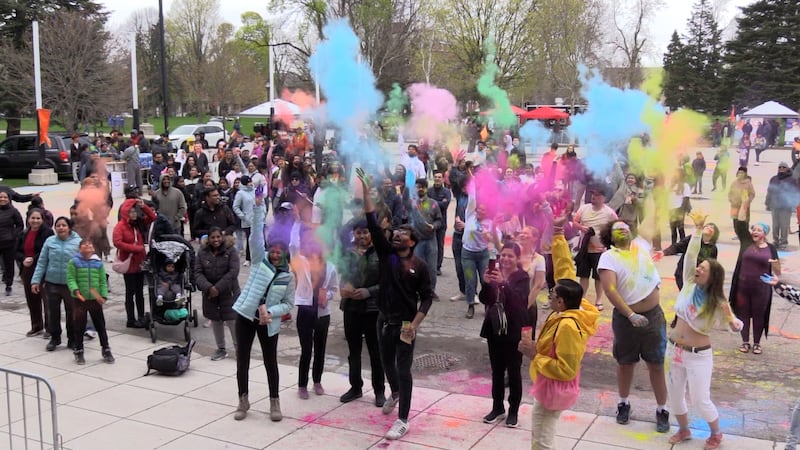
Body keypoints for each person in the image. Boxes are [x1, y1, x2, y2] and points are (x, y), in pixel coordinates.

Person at [356, 167, 434, 440]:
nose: (397, 235)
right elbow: (373, 222)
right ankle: (396, 391)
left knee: (403, 369)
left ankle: (403, 419)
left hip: (404, 324)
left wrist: (413, 325)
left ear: (412, 241)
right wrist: (366, 192)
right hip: (383, 320)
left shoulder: (420, 266)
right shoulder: (388, 255)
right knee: (386, 363)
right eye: (396, 232)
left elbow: (426, 297)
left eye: (403, 234)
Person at [518, 214, 599, 450]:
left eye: (552, 295)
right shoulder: (576, 307)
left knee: (543, 437)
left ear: (562, 302)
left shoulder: (567, 326)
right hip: (549, 383)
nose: (549, 296)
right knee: (541, 432)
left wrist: (535, 354)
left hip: (555, 388)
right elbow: (565, 270)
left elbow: (566, 369)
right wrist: (557, 233)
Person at [665, 212, 743, 450]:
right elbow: (689, 254)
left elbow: (734, 323)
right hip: (673, 350)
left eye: (703, 268)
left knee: (701, 400)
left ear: (713, 277)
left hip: (698, 355)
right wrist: (697, 231)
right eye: (698, 266)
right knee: (675, 397)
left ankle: (716, 434)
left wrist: (734, 323)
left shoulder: (717, 301)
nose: (698, 269)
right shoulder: (688, 283)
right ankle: (684, 430)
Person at [598, 220, 670, 433]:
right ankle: (623, 403)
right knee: (626, 363)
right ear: (610, 236)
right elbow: (610, 290)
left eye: (625, 228)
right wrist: (630, 314)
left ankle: (662, 409)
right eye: (617, 229)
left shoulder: (641, 246)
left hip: (654, 316)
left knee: (656, 364)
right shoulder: (608, 257)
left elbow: (651, 210)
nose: (622, 231)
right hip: (626, 319)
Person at [231, 195, 295, 422]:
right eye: (273, 250)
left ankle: (274, 402)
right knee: (243, 360)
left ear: (286, 254)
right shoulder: (259, 259)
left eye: (280, 252)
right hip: (245, 315)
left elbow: (289, 304)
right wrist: (259, 207)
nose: (276, 254)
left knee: (271, 362)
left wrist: (271, 312)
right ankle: (243, 400)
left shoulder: (288, 276)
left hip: (268, 322)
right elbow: (256, 234)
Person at [478, 242, 531, 428]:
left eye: (510, 256)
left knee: (514, 372)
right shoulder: (494, 274)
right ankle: (497, 407)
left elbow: (519, 302)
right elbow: (485, 299)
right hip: (495, 329)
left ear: (517, 259)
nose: (506, 259)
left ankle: (513, 410)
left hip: (514, 331)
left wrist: (503, 284)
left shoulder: (522, 277)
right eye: (503, 255)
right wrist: (486, 284)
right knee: (497, 371)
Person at [338, 218, 386, 406]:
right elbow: (343, 275)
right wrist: (344, 286)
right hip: (351, 308)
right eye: (358, 232)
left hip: (373, 310)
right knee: (353, 351)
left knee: (376, 352)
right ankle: (355, 387)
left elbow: (387, 282)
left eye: (366, 232)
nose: (362, 236)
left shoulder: (381, 252)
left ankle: (379, 391)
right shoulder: (348, 253)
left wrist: (368, 292)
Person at [290, 227, 339, 399]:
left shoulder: (331, 266)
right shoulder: (301, 261)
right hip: (305, 310)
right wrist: (297, 222)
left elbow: (334, 288)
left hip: (322, 313)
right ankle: (302, 385)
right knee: (306, 350)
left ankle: (317, 381)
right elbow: (293, 245)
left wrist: (328, 295)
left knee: (320, 349)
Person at [31, 217, 82, 351]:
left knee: (72, 313)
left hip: (70, 284)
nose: (61, 228)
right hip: (51, 283)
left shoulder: (78, 242)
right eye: (58, 225)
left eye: (63, 225)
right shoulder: (50, 241)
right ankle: (55, 338)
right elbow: (42, 262)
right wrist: (35, 281)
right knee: (53, 312)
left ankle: (72, 339)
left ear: (69, 227)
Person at [729, 222, 780, 355]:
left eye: (759, 230)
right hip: (743, 286)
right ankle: (745, 342)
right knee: (743, 314)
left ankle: (757, 343)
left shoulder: (771, 248)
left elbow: (778, 271)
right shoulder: (746, 244)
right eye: (754, 229)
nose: (755, 232)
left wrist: (774, 265)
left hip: (761, 289)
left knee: (759, 316)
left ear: (764, 234)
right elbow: (739, 225)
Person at [67, 239, 115, 365]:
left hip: (95, 298)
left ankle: (106, 348)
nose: (88, 245)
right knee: (79, 326)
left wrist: (103, 295)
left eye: (90, 244)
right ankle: (79, 350)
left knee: (100, 325)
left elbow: (102, 281)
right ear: (79, 249)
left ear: (93, 248)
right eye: (84, 244)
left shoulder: (98, 263)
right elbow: (71, 278)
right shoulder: (74, 262)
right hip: (80, 300)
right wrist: (76, 290)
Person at [195, 227, 240, 361]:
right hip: (210, 294)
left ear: (222, 237)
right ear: (208, 239)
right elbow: (197, 273)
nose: (216, 240)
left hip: (229, 293)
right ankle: (221, 349)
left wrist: (218, 288)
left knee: (232, 321)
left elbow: (233, 272)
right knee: (216, 320)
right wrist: (209, 288)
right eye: (213, 237)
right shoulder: (202, 252)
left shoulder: (231, 251)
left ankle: (239, 349)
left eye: (218, 237)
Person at [573, 186, 618, 311]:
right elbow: (575, 221)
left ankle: (599, 300)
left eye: (597, 195)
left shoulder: (609, 212)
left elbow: (617, 226)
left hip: (600, 251)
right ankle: (582, 300)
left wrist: (609, 243)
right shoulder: (584, 208)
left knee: (598, 277)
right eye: (593, 195)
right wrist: (582, 228)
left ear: (603, 198)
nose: (594, 197)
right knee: (583, 276)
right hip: (584, 248)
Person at [113, 199, 156, 328]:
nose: (134, 214)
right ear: (125, 213)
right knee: (130, 292)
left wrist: (144, 207)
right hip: (129, 264)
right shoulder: (120, 226)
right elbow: (117, 242)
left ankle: (141, 316)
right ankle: (130, 319)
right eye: (131, 212)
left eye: (135, 211)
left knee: (139, 292)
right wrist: (136, 249)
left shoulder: (137, 224)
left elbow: (153, 217)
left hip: (139, 263)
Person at [16, 209, 53, 336]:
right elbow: (17, 251)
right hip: (27, 269)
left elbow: (46, 250)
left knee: (46, 299)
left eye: (38, 218)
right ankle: (36, 326)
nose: (35, 221)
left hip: (43, 268)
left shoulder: (48, 233)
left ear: (42, 220)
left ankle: (50, 328)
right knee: (31, 298)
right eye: (33, 218)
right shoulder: (24, 233)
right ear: (28, 219)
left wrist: (34, 258)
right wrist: (23, 259)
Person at [662, 223, 719, 290]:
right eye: (707, 226)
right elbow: (678, 246)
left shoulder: (713, 249)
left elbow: (712, 266)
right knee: (686, 293)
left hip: (698, 276)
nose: (708, 227)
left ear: (714, 234)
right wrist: (664, 252)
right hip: (683, 273)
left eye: (712, 227)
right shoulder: (693, 239)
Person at [410, 179, 442, 294]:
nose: (420, 189)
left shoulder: (433, 203)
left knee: (432, 268)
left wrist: (433, 226)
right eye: (418, 187)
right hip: (417, 240)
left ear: (426, 188)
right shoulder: (412, 204)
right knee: (417, 267)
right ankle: (418, 291)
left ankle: (431, 291)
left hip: (431, 240)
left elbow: (439, 220)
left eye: (422, 187)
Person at [766, 162, 799, 250]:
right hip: (775, 205)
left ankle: (783, 242)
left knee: (784, 225)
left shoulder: (792, 180)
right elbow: (769, 191)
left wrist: (793, 205)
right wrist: (767, 202)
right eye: (779, 167)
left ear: (787, 168)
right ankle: (775, 241)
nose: (781, 168)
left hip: (785, 207)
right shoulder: (774, 179)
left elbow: (795, 192)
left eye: (783, 167)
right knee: (775, 225)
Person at [0, 191, 23, 295]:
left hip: (9, 243)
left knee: (9, 264)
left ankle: (8, 284)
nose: (2, 199)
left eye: (5, 197)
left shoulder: (13, 211)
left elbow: (20, 225)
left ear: (9, 199)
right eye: (0, 197)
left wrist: (14, 235)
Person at [428, 172, 452, 275]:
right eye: (436, 177)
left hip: (441, 223)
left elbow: (445, 205)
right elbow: (425, 204)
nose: (437, 179)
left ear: (443, 179)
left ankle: (438, 266)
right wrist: (439, 202)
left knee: (439, 245)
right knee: (430, 245)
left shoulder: (446, 192)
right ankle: (430, 265)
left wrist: (432, 202)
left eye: (439, 177)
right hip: (430, 222)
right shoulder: (429, 191)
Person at [728, 167, 755, 239]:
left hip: (744, 205)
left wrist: (748, 201)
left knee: (744, 220)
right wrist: (731, 199)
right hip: (735, 205)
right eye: (739, 172)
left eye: (742, 173)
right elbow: (730, 192)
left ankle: (744, 234)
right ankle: (737, 234)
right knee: (735, 220)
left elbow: (752, 194)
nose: (740, 174)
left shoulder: (748, 183)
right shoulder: (734, 182)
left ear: (745, 174)